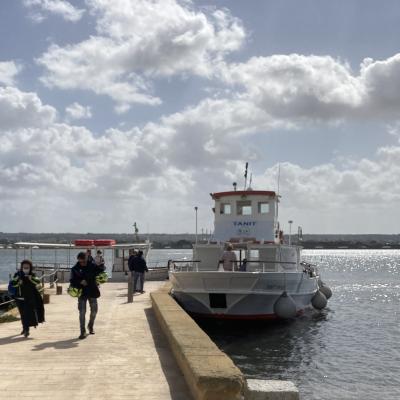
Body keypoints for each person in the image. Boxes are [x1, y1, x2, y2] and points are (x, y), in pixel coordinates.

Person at [70, 252, 103, 339]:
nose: (82, 263)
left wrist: (101, 265)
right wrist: (80, 282)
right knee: (82, 312)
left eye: (84, 261)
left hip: (92, 291)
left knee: (94, 311)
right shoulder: (75, 269)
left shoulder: (92, 265)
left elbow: (101, 270)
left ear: (87, 259)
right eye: (80, 262)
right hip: (82, 293)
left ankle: (90, 325)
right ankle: (82, 331)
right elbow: (72, 281)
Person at [9, 260, 45, 337]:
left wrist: (30, 279)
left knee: (27, 314)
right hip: (19, 298)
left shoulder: (32, 275)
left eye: (27, 267)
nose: (25, 268)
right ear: (21, 267)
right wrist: (19, 282)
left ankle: (26, 330)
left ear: (30, 267)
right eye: (24, 267)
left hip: (29, 298)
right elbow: (13, 283)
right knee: (22, 314)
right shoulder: (18, 274)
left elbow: (38, 282)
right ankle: (24, 328)